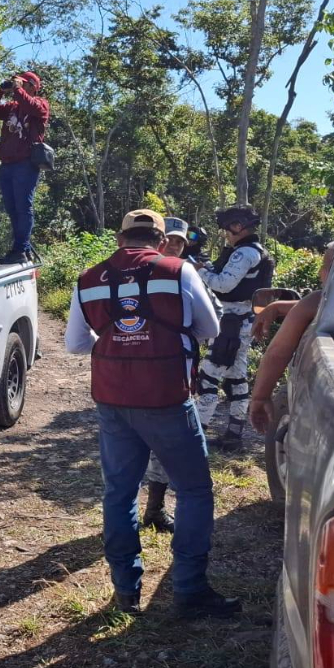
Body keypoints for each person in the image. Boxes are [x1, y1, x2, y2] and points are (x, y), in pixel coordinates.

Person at [65, 209, 240, 618]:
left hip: (111, 399)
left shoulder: (90, 278)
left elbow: (75, 343)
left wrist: (118, 338)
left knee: (119, 492)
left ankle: (126, 592)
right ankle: (189, 589)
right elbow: (209, 329)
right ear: (161, 241)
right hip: (165, 397)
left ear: (120, 238)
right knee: (194, 490)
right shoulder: (179, 270)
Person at [194, 204, 275, 452]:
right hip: (242, 322)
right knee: (236, 378)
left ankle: (196, 433)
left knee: (209, 377)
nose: (225, 234)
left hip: (231, 322)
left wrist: (199, 273)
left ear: (238, 226)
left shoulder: (244, 253)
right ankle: (234, 433)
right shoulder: (250, 251)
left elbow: (224, 285)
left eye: (227, 228)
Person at [248, 242, 334, 433]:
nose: (320, 273)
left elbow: (277, 353)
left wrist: (260, 397)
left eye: (325, 267)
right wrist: (278, 306)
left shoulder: (320, 301)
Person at [141, 216, 190, 533]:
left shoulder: (189, 275)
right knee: (133, 449)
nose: (173, 245)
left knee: (163, 449)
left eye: (179, 241)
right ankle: (127, 517)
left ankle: (154, 509)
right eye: (168, 239)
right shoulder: (135, 274)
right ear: (158, 241)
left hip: (173, 377)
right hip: (136, 376)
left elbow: (211, 321)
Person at [0, 71, 50, 263]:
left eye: (21, 81)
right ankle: (21, 248)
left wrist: (18, 89)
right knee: (11, 208)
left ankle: (20, 248)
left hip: (26, 164)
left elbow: (31, 106)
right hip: (7, 164)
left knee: (23, 206)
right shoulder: (12, 107)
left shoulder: (41, 104)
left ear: (31, 85)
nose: (16, 83)